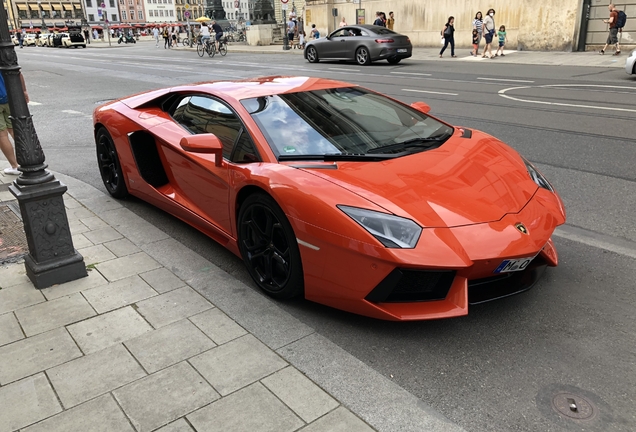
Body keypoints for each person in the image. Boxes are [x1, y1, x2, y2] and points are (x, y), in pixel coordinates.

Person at [0, 72, 29, 176]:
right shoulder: (4, 56)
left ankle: (15, 166)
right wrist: (24, 90)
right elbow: (18, 73)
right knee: (15, 130)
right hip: (9, 98)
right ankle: (28, 161)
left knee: (2, 135)